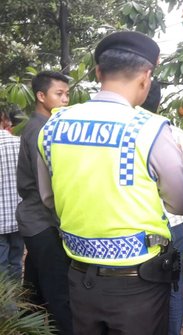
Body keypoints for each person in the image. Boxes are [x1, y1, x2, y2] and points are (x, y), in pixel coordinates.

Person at [36, 31, 183, 335]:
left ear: (99, 72)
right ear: (146, 76)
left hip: (80, 274)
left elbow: (49, 198)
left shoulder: (54, 125)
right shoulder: (149, 129)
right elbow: (181, 201)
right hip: (139, 282)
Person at [16, 70, 73, 334]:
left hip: (34, 219)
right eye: (58, 94)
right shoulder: (42, 129)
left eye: (67, 94)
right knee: (59, 294)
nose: (65, 100)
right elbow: (50, 185)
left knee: (34, 292)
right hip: (43, 220)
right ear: (41, 96)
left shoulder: (39, 125)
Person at [140, 80, 183, 335]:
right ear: (159, 101)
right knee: (174, 286)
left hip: (137, 226)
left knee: (140, 286)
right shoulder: (177, 134)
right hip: (173, 223)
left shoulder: (128, 133)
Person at [0, 105, 22, 280]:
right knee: (15, 262)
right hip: (18, 216)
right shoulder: (19, 143)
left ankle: (7, 305)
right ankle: (17, 300)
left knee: (1, 266)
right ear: (4, 120)